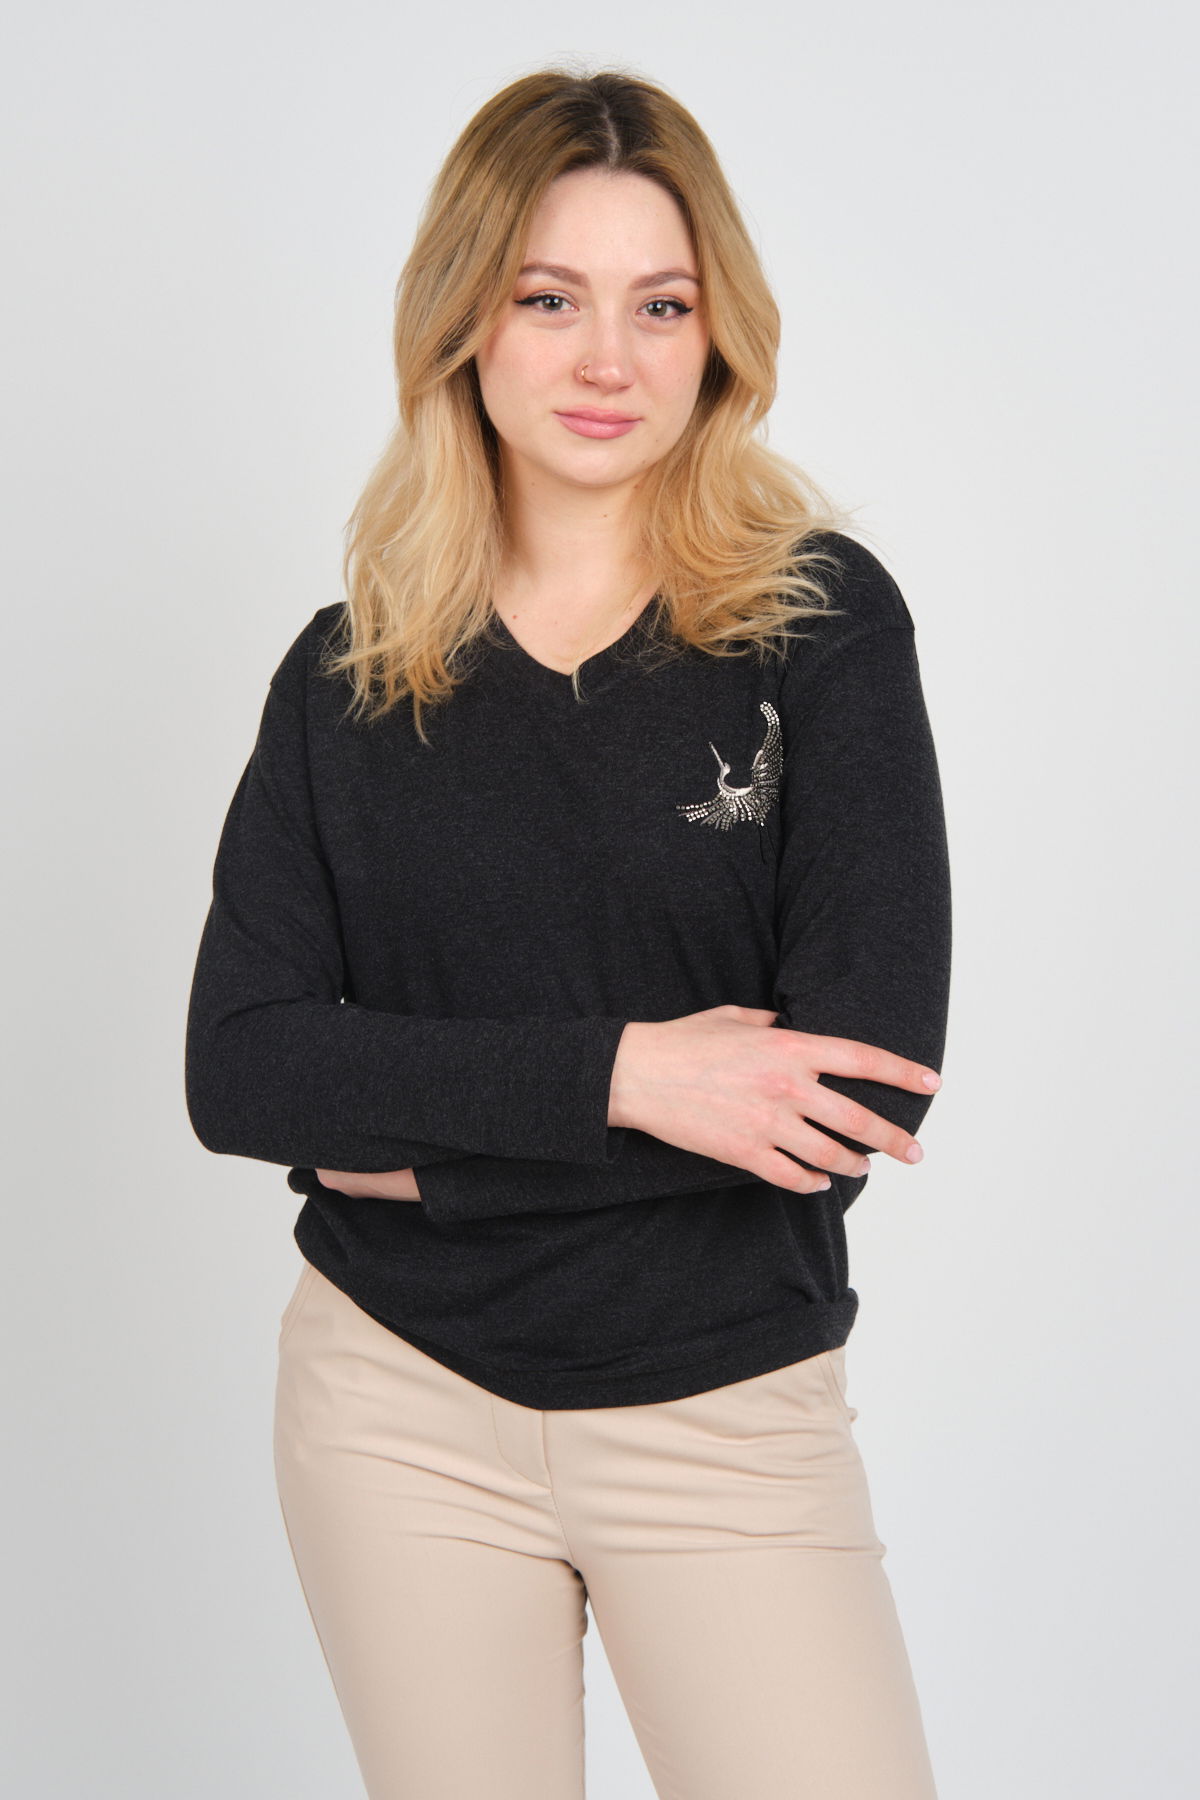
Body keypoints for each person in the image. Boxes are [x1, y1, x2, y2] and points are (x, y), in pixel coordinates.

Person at [185, 64, 952, 1800]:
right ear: (466, 320)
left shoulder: (819, 627)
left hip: (722, 1415)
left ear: (717, 335)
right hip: (394, 1414)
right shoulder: (344, 675)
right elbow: (241, 1074)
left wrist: (411, 1143)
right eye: (550, 299)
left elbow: (858, 1097)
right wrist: (633, 1078)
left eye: (659, 305)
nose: (609, 358)